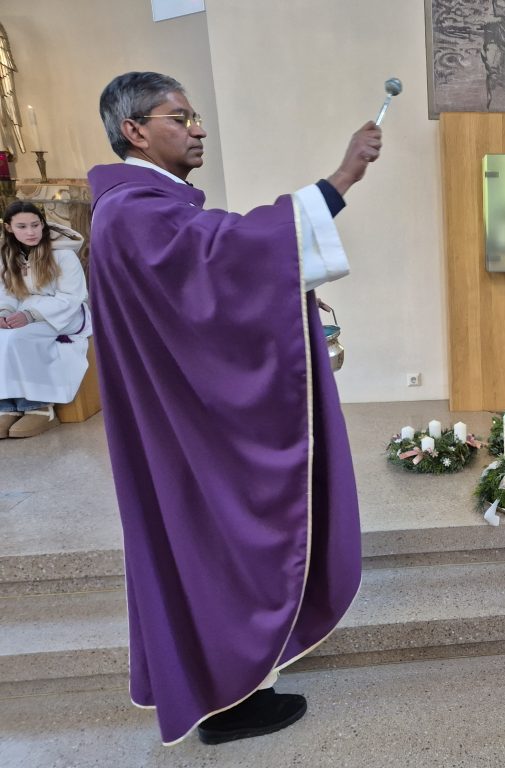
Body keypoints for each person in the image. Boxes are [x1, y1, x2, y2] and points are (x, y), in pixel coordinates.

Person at [88, 72, 382, 746]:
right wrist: (343, 177)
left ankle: (227, 684)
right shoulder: (133, 211)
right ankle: (227, 699)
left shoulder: (136, 206)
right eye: (179, 117)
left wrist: (284, 295)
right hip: (185, 425)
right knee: (212, 537)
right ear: (134, 131)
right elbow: (231, 254)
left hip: (175, 414)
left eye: (196, 117)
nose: (198, 129)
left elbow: (206, 282)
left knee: (205, 539)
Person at [0, 201, 90, 437]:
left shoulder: (63, 254)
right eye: (22, 227)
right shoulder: (7, 256)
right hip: (21, 312)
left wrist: (30, 315)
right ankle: (7, 407)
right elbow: (6, 292)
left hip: (61, 315)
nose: (30, 232)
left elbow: (71, 296)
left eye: (35, 225)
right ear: (9, 228)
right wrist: (4, 313)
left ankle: (38, 407)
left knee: (19, 339)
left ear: (43, 224)